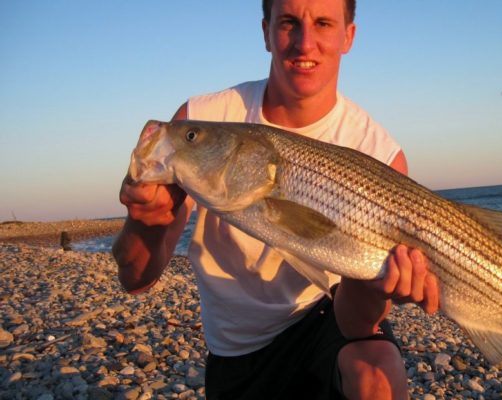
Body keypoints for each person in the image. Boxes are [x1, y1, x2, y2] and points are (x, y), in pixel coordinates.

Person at [113, 0, 441, 399]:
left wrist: (383, 285)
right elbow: (135, 280)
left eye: (323, 23)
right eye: (289, 22)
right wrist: (147, 221)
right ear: (266, 31)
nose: (305, 43)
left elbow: (357, 324)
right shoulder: (206, 116)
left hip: (328, 314)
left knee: (376, 374)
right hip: (235, 349)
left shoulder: (380, 153)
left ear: (348, 36)